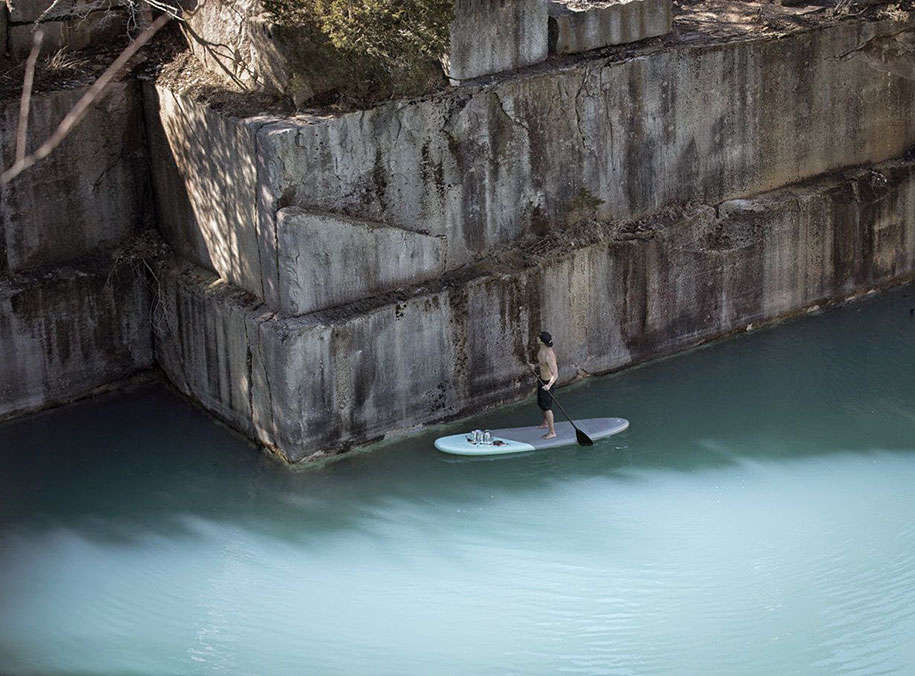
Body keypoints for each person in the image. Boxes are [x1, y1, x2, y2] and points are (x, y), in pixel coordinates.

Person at [534, 331, 558, 439]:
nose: (537, 338)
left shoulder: (549, 355)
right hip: (541, 379)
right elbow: (542, 365)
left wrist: (549, 385)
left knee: (547, 407)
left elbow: (556, 374)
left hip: (548, 382)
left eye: (538, 338)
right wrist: (533, 366)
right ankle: (545, 423)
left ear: (542, 342)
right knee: (540, 403)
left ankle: (552, 432)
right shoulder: (541, 349)